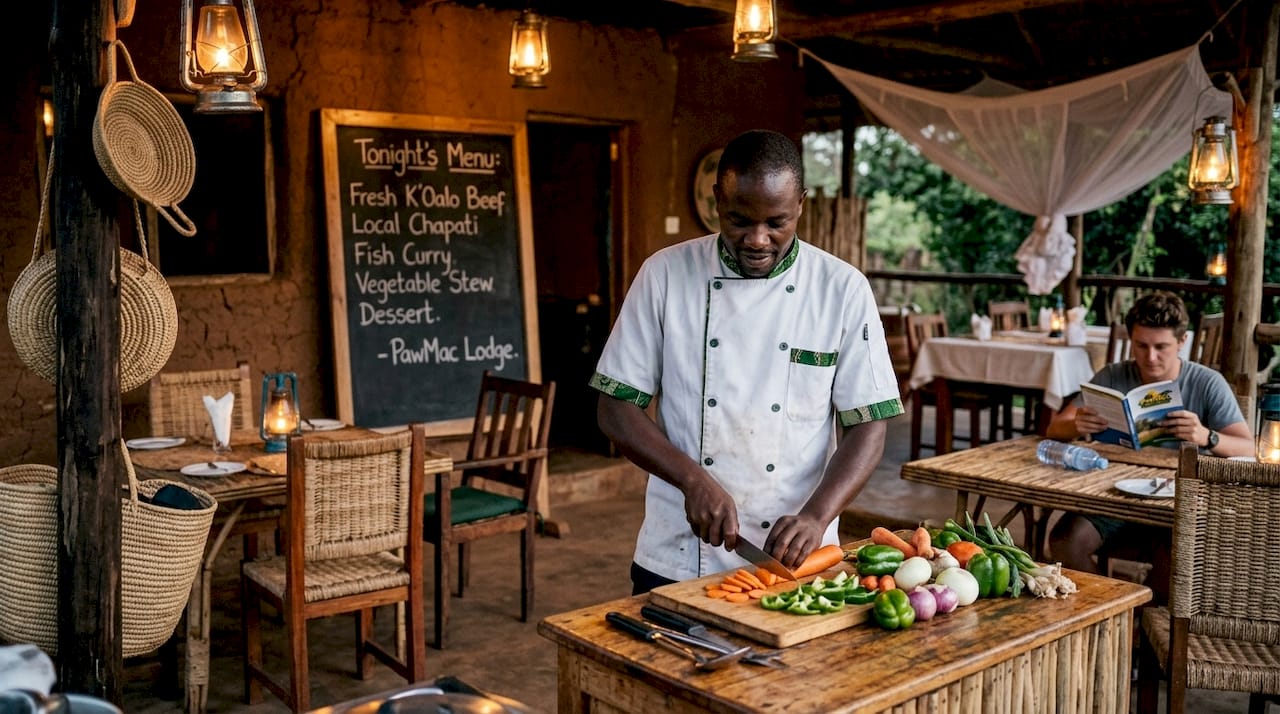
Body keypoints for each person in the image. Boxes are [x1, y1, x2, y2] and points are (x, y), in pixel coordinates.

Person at [589, 130, 904, 594]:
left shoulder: (841, 289)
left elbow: (869, 426)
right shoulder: (665, 275)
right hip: (678, 550)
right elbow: (614, 408)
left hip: (798, 556)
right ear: (718, 199)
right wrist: (692, 478)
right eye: (739, 220)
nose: (757, 239)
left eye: (776, 222)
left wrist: (817, 516)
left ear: (801, 203)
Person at [1045, 291, 1251, 598]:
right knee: (1064, 541)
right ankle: (1116, 612)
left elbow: (1248, 448)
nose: (1150, 357)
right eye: (1141, 346)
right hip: (1113, 495)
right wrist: (1076, 424)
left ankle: (1146, 624)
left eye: (1161, 347)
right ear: (1131, 340)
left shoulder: (1207, 382)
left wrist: (1207, 436)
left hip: (1176, 502)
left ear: (1182, 343)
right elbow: (1054, 428)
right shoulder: (1112, 375)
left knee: (1179, 553)